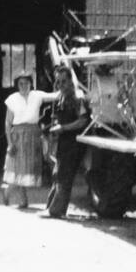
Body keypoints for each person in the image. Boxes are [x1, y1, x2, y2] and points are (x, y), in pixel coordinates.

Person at [2, 71, 58, 208]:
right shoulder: (12, 99)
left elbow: (56, 95)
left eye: (26, 83)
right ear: (17, 85)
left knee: (27, 169)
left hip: (33, 135)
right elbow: (8, 123)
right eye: (20, 83)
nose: (23, 86)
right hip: (17, 136)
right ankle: (9, 192)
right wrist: (9, 144)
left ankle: (21, 198)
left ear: (31, 84)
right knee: (18, 168)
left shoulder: (37, 95)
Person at [45, 65, 91, 218]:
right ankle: (52, 207)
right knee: (58, 173)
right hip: (63, 141)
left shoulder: (78, 98)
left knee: (64, 175)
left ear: (71, 81)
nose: (60, 85)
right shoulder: (61, 97)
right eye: (58, 82)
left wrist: (63, 128)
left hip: (74, 142)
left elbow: (82, 121)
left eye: (63, 82)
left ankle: (56, 210)